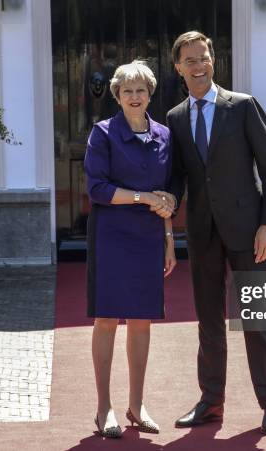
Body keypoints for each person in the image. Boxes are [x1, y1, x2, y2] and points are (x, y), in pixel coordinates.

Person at [166, 31, 266, 435]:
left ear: (213, 60)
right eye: (189, 60)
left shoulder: (243, 106)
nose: (198, 66)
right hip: (202, 234)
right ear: (178, 67)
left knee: (256, 319)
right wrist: (161, 210)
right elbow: (177, 179)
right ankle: (210, 401)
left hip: (250, 231)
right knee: (209, 322)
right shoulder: (176, 118)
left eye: (204, 58)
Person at [84, 60, 176, 438]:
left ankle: (136, 406)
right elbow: (98, 190)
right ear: (117, 96)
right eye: (127, 91)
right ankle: (103, 407)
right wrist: (142, 197)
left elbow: (167, 193)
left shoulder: (165, 136)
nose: (135, 97)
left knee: (141, 321)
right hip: (111, 234)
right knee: (107, 319)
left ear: (149, 94)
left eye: (141, 91)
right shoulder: (102, 134)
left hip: (150, 237)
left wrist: (170, 240)